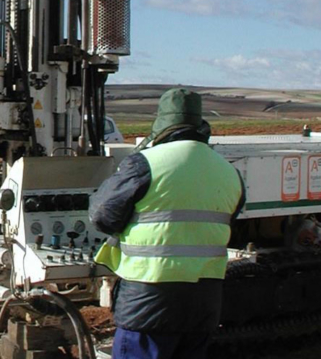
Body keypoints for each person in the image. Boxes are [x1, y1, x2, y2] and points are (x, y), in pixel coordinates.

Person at [89, 88, 245, 359]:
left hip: (149, 301)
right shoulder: (228, 170)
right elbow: (229, 218)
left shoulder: (145, 163)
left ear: (161, 124)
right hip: (204, 301)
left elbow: (102, 215)